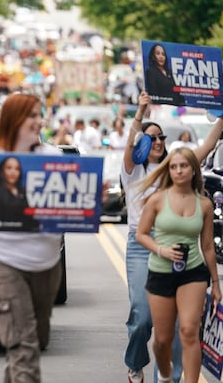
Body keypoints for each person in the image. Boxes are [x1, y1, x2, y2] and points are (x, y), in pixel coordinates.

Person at [0, 93, 65, 382]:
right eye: (30, 115)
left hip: (45, 266)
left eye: (38, 114)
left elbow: (71, 206)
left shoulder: (54, 158)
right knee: (24, 344)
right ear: (13, 121)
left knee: (33, 341)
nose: (37, 121)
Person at [122, 91, 223, 383]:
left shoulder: (174, 169)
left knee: (184, 326)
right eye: (150, 138)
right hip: (143, 247)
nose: (157, 142)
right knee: (142, 318)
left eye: (162, 137)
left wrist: (221, 119)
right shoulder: (132, 171)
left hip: (181, 252)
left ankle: (170, 379)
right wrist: (140, 113)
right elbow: (130, 145)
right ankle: (134, 361)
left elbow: (203, 149)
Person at [135, 147, 221, 383]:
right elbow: (141, 235)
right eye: (173, 166)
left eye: (183, 166)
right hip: (161, 273)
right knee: (162, 340)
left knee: (189, 331)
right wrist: (162, 250)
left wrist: (215, 283)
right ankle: (164, 374)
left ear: (194, 169)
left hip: (193, 273)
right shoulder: (157, 200)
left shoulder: (204, 204)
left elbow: (207, 247)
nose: (178, 170)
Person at [0, 156, 40, 232]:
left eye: (17, 169)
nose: (13, 172)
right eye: (9, 168)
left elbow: (32, 218)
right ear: (2, 170)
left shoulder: (24, 191)